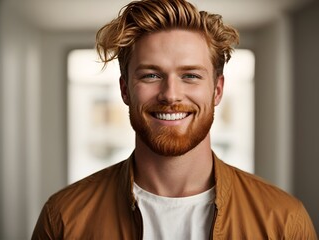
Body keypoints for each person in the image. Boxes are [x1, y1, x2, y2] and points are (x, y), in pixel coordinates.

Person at [32, 0, 317, 239]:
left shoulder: (283, 221)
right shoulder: (64, 217)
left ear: (217, 90)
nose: (170, 95)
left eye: (190, 76)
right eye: (151, 75)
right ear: (124, 90)